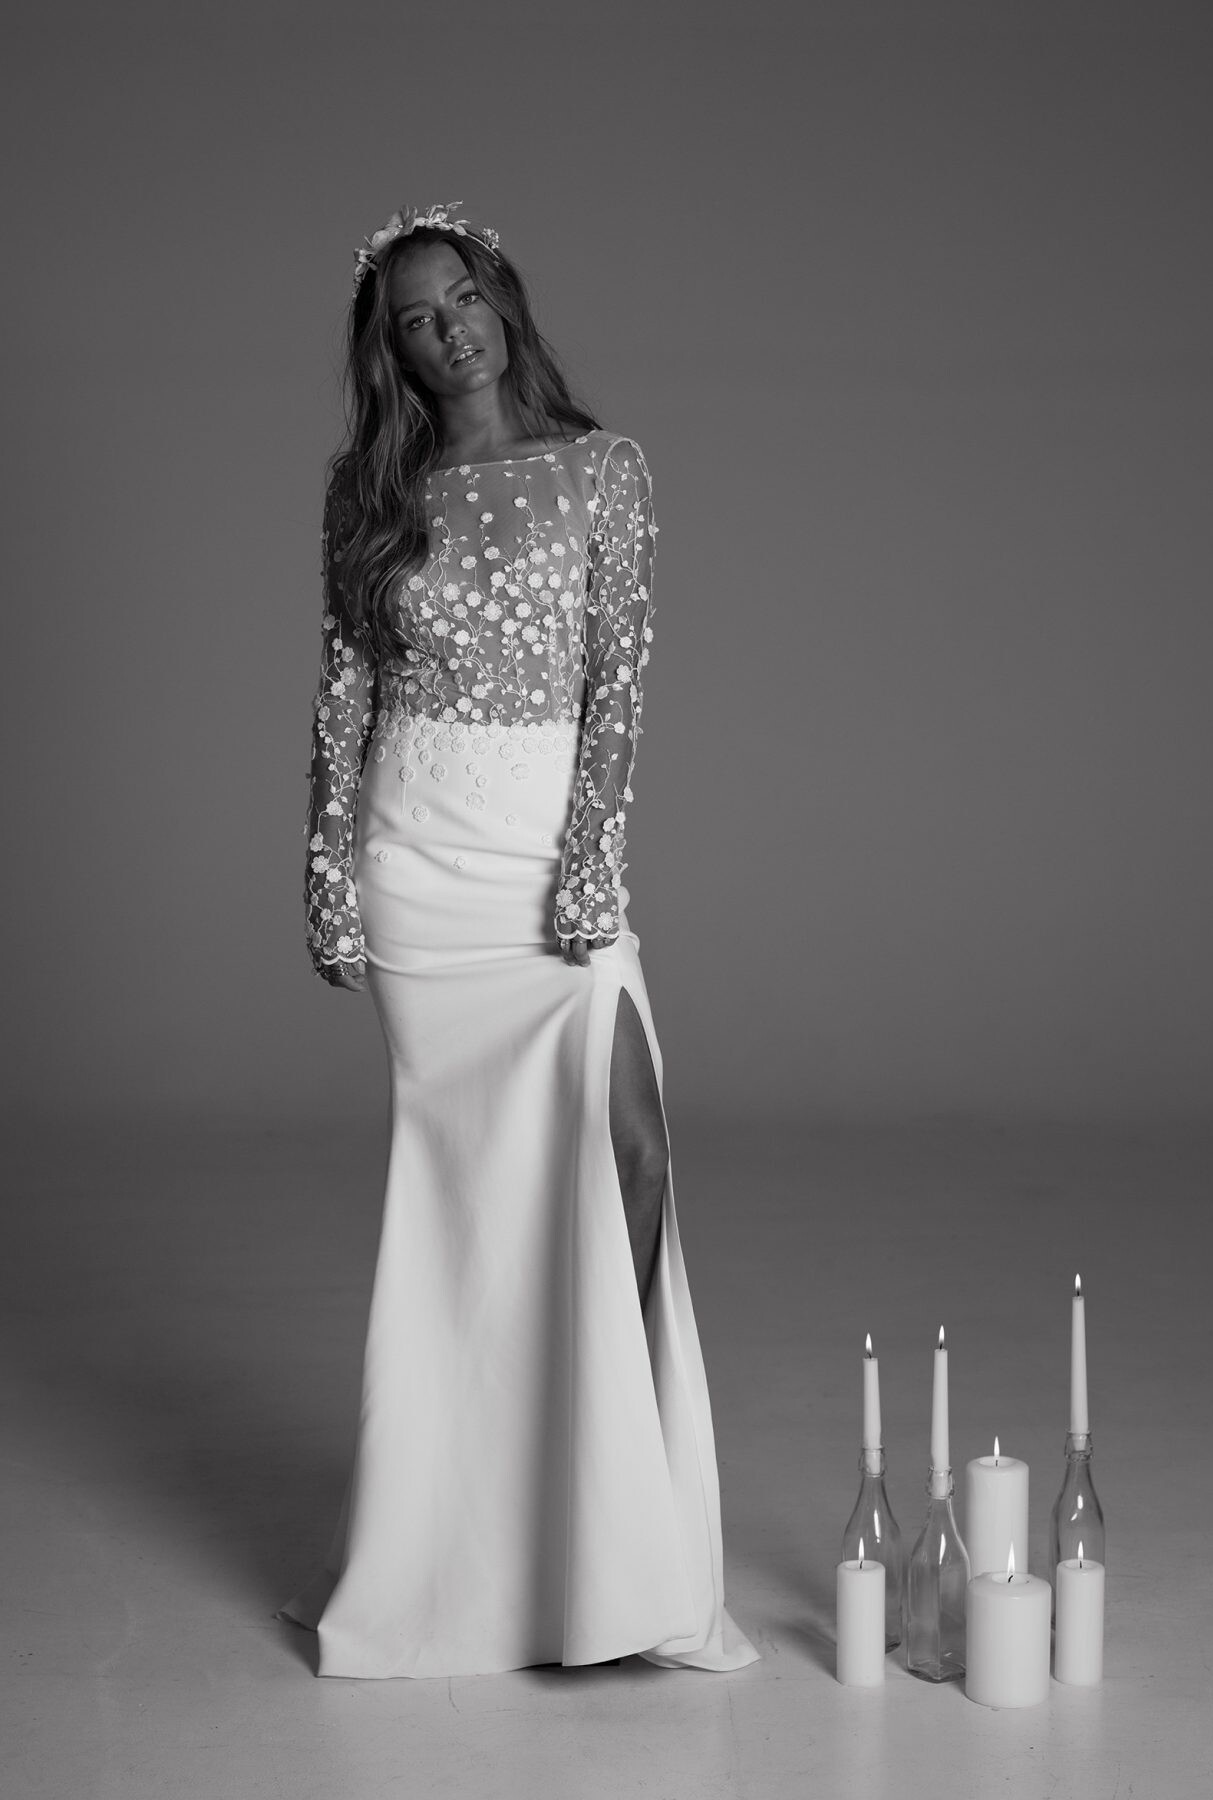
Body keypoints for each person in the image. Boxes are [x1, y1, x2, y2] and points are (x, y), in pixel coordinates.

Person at [279, 202, 759, 1679]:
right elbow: (344, 694)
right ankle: (475, 1568)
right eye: (416, 320)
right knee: (471, 1218)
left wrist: (590, 861)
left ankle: (624, 1545)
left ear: (503, 297)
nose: (450, 332)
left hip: (542, 861)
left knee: (633, 1156)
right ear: (395, 351)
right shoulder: (372, 490)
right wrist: (326, 873)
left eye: (464, 297)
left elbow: (618, 683)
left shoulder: (603, 470)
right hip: (416, 863)